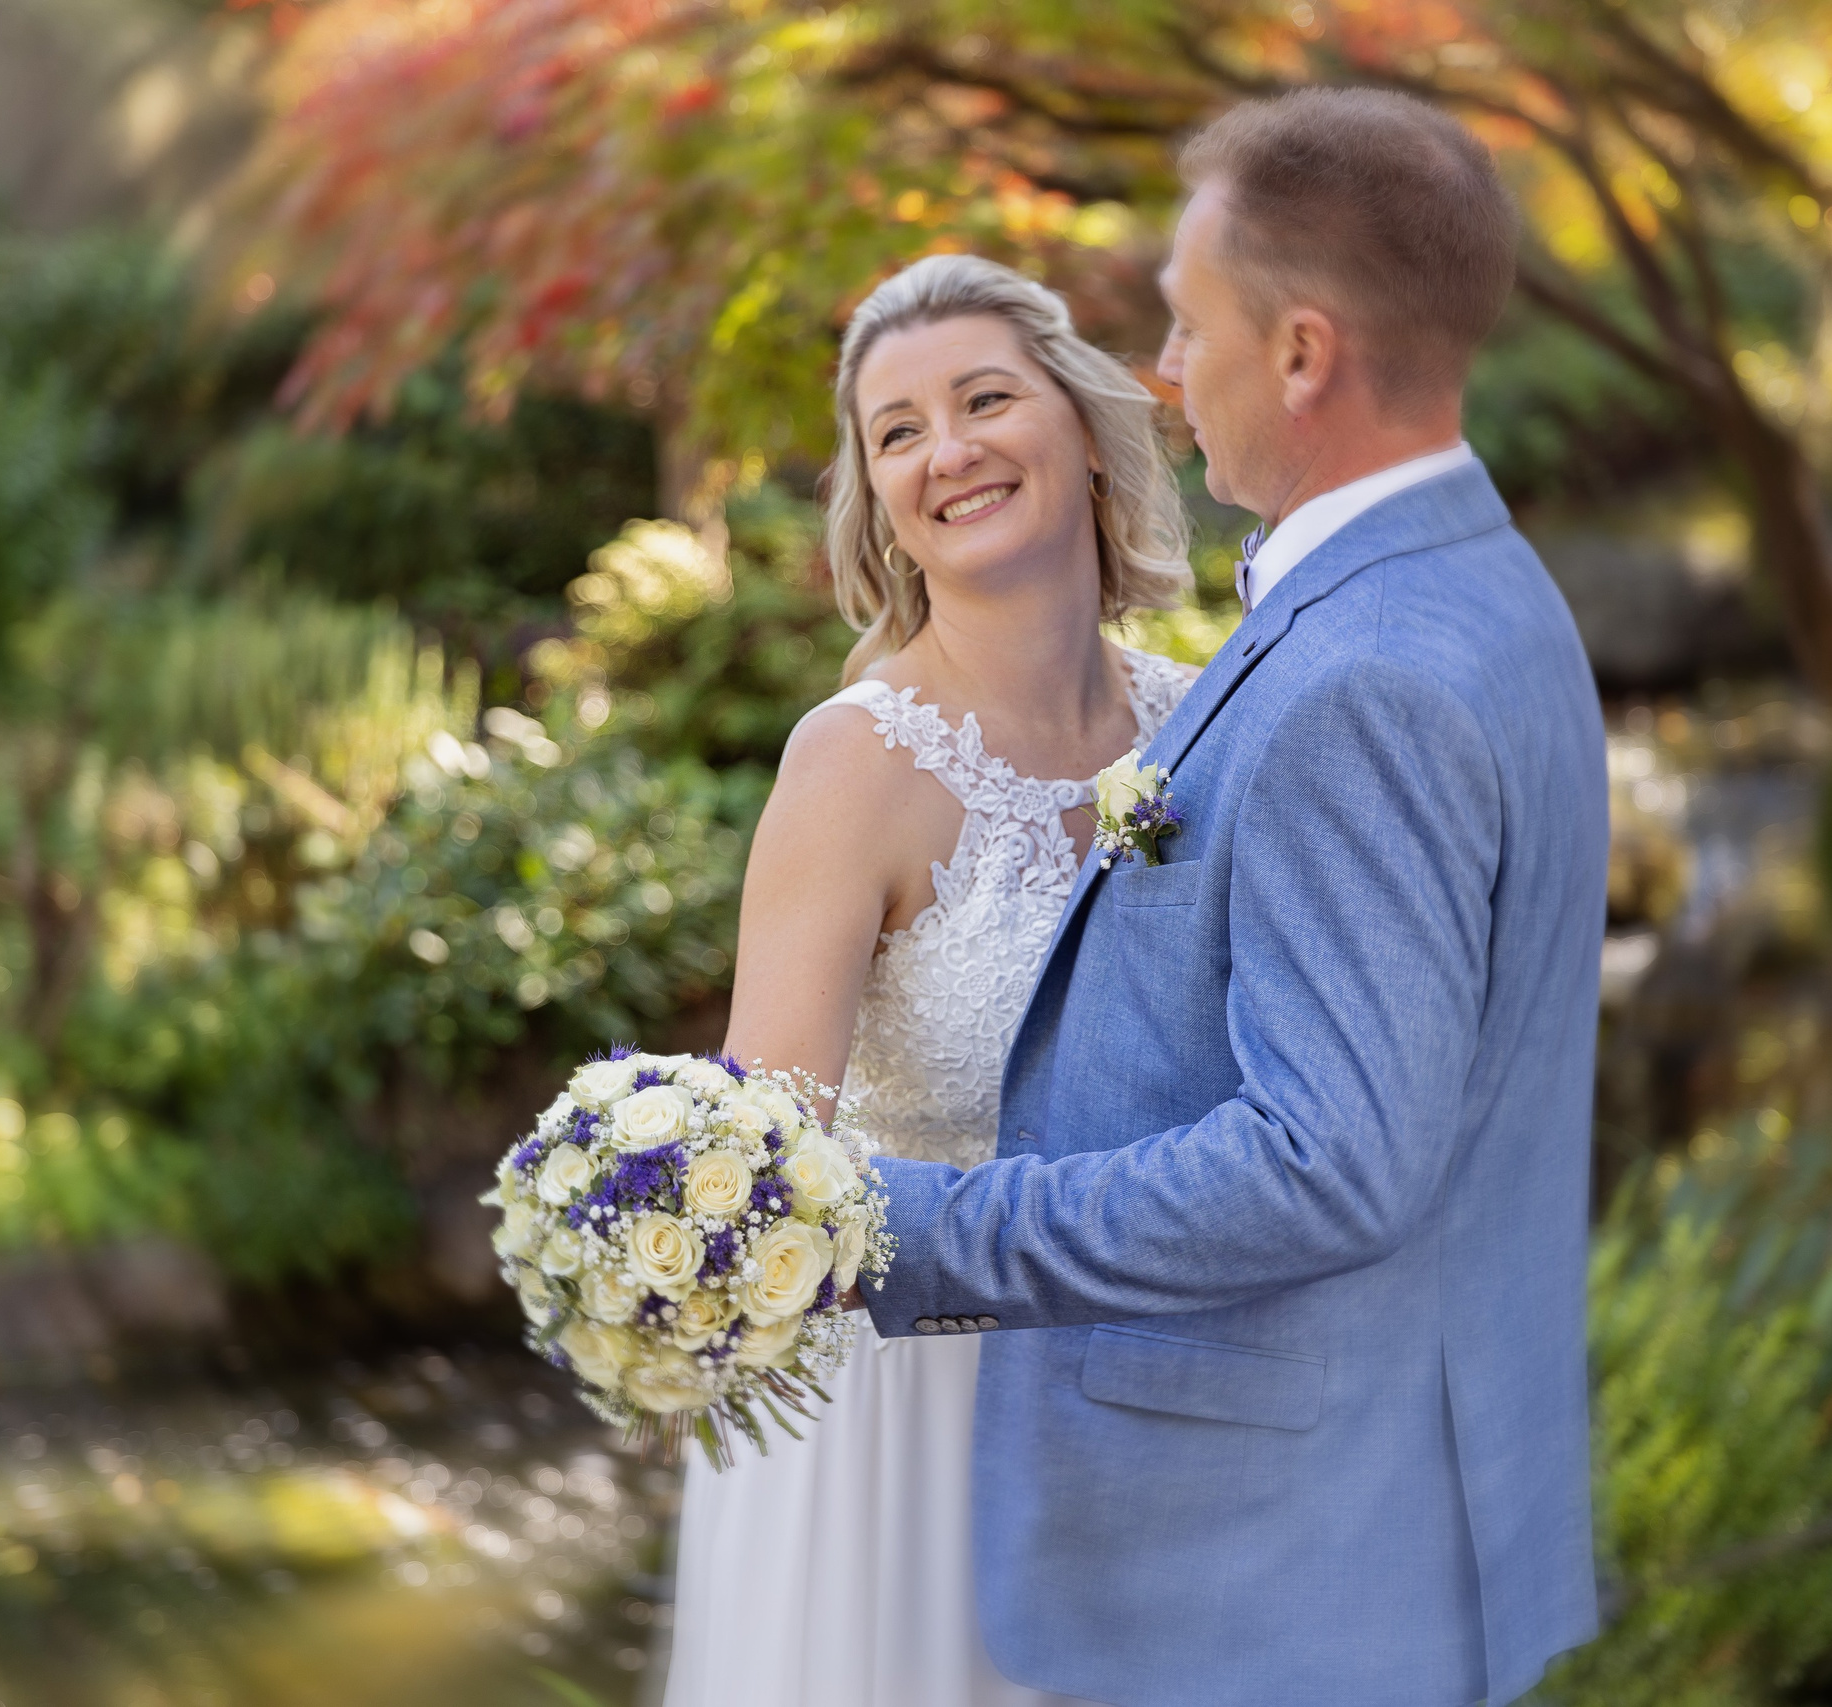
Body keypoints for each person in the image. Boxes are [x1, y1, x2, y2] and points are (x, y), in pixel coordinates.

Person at [858, 89, 1609, 1707]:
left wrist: (927, 1229)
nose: (1162, 374)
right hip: (1398, 1514)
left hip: (1277, 1574)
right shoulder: (1493, 591)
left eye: (1190, 330)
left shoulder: (1365, 680)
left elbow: (1329, 1164)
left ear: (1303, 354)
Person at [662, 252, 1198, 1707]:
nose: (946, 451)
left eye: (981, 400)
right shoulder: (856, 765)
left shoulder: (1198, 722)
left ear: (1084, 426)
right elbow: (758, 1167)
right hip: (917, 1432)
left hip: (1157, 1389)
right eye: (896, 431)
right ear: (878, 496)